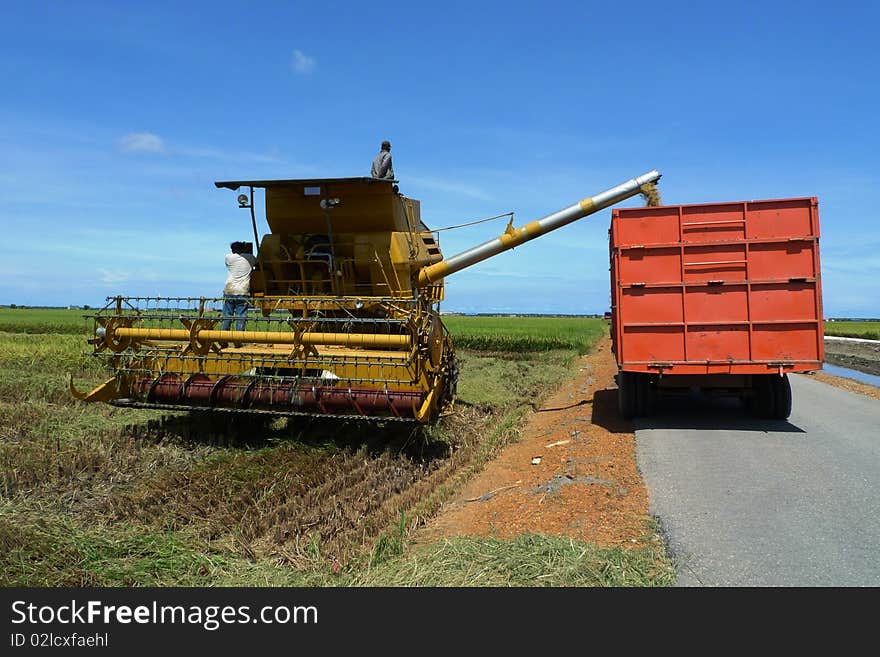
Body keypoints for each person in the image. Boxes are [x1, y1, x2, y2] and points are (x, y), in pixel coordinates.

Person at [220, 241, 256, 343]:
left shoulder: (228, 258)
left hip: (229, 290)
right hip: (243, 291)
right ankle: (237, 341)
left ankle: (223, 340)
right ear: (243, 249)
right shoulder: (250, 258)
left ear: (232, 250)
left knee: (227, 315)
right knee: (241, 316)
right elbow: (257, 263)